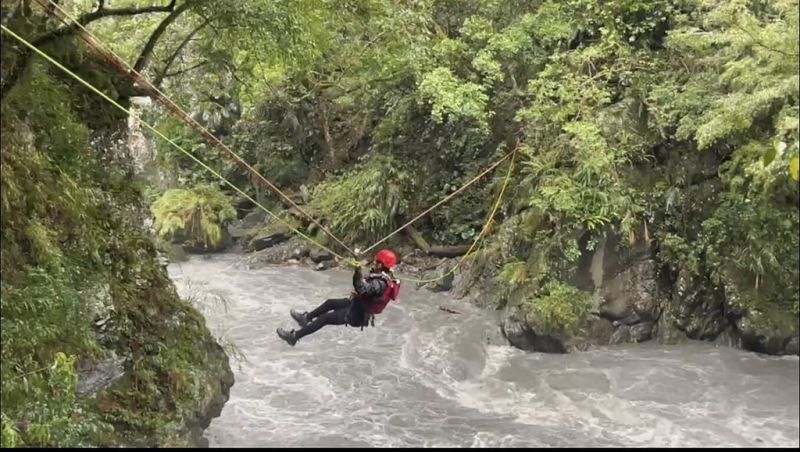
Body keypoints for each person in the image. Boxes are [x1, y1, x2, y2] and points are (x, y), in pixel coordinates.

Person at [276, 249, 401, 346]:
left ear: (381, 265)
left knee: (324, 319)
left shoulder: (380, 283)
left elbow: (361, 287)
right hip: (357, 305)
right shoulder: (383, 276)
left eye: (377, 262)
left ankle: (294, 337)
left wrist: (357, 268)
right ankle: (306, 318)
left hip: (357, 314)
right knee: (330, 303)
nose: (374, 263)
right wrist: (357, 263)